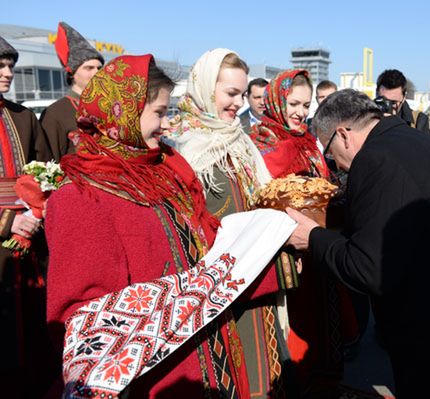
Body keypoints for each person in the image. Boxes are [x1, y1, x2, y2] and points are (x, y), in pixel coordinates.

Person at [45, 54, 252, 398]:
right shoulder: (81, 196)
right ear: (120, 112)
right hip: (157, 380)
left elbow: (207, 249)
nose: (167, 124)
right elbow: (83, 320)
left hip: (211, 358)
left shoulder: (165, 170)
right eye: (158, 113)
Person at [285, 89, 430, 398]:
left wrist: (312, 238)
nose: (336, 165)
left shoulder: (373, 160)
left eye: (330, 152)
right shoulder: (416, 142)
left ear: (343, 134)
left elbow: (368, 268)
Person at [165, 48, 295, 398]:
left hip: (257, 279)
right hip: (217, 286)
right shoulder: (183, 145)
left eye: (241, 94)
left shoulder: (241, 141)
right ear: (207, 89)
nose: (238, 103)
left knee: (265, 374)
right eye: (230, 93)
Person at [249, 70, 357, 395]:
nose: (299, 111)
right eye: (293, 103)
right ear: (277, 101)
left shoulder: (309, 143)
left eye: (305, 104)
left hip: (319, 254)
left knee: (323, 334)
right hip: (284, 260)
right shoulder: (258, 144)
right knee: (294, 337)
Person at [0, 35, 54, 398]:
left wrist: (37, 212)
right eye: (1, 65)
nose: (8, 73)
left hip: (30, 248)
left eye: (11, 66)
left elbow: (45, 172)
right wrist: (6, 222)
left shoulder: (22, 116)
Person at [40, 22, 104, 160]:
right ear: (72, 74)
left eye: (99, 68)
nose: (97, 73)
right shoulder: (55, 113)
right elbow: (50, 161)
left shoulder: (109, 106)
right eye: (89, 68)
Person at [376, 69, 430, 134]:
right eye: (384, 101)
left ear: (404, 97)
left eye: (393, 102)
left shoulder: (419, 121)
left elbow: (424, 144)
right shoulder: (367, 118)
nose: (388, 106)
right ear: (377, 94)